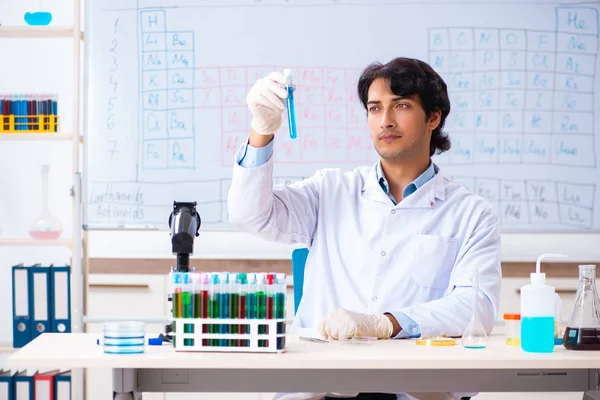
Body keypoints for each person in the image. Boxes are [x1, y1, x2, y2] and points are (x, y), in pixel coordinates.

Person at [227, 57, 501, 400]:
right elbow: (249, 214)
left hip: (417, 393)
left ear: (433, 117)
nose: (385, 120)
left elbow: (475, 306)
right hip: (321, 390)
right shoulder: (330, 190)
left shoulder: (471, 213)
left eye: (400, 106)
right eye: (374, 108)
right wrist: (261, 130)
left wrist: (387, 323)